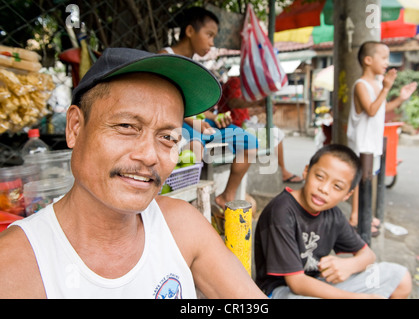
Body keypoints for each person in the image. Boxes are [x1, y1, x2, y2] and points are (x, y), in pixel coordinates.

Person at [0, 48, 267, 299]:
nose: (150, 155)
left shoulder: (180, 227)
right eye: (127, 126)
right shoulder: (16, 265)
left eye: (167, 137)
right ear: (75, 127)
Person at [254, 144, 412, 299]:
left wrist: (349, 265)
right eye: (320, 177)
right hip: (281, 291)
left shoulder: (333, 214)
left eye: (337, 186)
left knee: (400, 279)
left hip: (317, 283)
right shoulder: (281, 211)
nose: (324, 189)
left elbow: (368, 255)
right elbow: (297, 283)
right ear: (306, 171)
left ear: (347, 195)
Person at [159, 7, 258, 213]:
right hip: (177, 124)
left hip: (200, 125)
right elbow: (163, 101)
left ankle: (225, 197)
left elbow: (195, 109)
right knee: (194, 149)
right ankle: (181, 211)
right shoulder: (165, 57)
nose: (212, 42)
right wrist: (193, 121)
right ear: (189, 31)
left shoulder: (195, 64)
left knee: (250, 144)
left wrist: (215, 117)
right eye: (209, 35)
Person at [347, 41, 417, 235]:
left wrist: (400, 98)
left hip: (372, 141)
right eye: (384, 57)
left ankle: (365, 214)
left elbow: (381, 109)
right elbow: (370, 110)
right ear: (368, 60)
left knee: (369, 178)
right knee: (361, 179)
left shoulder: (377, 84)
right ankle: (355, 216)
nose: (387, 62)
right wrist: (386, 88)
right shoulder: (361, 85)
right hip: (362, 142)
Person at [218, 76, 303, 184]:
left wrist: (263, 108)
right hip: (233, 125)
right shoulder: (236, 82)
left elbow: (244, 113)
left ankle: (282, 170)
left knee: (273, 133)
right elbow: (233, 103)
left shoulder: (246, 87)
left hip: (242, 124)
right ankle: (283, 172)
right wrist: (260, 102)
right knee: (274, 133)